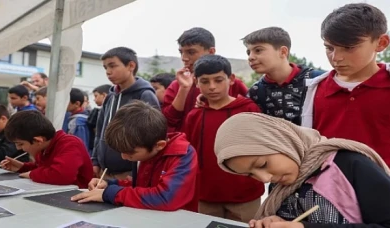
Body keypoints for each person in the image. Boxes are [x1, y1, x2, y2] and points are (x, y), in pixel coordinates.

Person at [214, 113, 390, 228]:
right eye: (250, 174)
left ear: (281, 140)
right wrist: (277, 222)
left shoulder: (349, 165)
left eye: (262, 164)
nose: (265, 178)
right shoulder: (280, 185)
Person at [301, 3, 390, 166]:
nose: (336, 57)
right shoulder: (315, 89)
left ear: (381, 43)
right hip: (327, 186)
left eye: (349, 48)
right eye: (329, 48)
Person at [71, 101, 198, 212]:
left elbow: (165, 198)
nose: (124, 157)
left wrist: (110, 194)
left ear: (159, 145)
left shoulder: (182, 154)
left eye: (130, 153)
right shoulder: (145, 146)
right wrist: (109, 184)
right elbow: (141, 187)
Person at [185, 55, 264, 222]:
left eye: (218, 80)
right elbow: (190, 155)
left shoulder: (248, 109)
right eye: (205, 81)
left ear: (231, 79)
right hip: (205, 195)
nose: (212, 87)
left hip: (245, 195)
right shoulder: (194, 116)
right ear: (196, 82)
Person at [91, 47, 160, 179]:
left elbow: (153, 135)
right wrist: (95, 159)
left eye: (112, 66)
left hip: (130, 173)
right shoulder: (110, 97)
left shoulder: (144, 94)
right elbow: (100, 131)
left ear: (131, 66)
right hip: (105, 172)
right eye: (105, 68)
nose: (108, 72)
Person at [162, 27, 248, 132]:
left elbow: (248, 110)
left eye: (191, 52)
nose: (184, 58)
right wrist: (184, 89)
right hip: (188, 145)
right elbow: (169, 121)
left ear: (211, 51)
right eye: (181, 52)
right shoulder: (176, 86)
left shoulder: (231, 84)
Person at [0, 110, 93, 188]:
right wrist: (23, 167)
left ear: (38, 140)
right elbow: (44, 169)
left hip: (76, 196)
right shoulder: (44, 147)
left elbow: (62, 175)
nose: (18, 148)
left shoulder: (70, 143)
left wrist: (31, 174)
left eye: (20, 144)